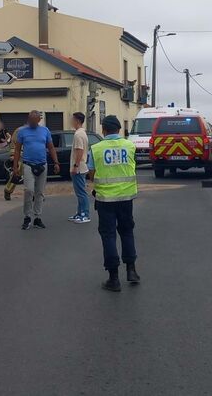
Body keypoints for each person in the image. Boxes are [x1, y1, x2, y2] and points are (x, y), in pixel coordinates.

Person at [89, 115, 140, 292]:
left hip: (105, 199)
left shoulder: (96, 149)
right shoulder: (130, 146)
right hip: (126, 198)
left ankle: (113, 278)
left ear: (103, 130)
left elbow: (91, 173)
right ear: (119, 129)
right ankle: (131, 270)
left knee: (108, 235)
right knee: (127, 232)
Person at [12, 111, 60, 230]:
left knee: (40, 192)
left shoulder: (45, 131)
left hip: (42, 164)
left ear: (38, 120)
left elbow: (51, 147)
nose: (31, 122)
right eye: (30, 120)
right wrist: (15, 166)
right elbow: (17, 150)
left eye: (34, 120)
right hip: (28, 164)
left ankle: (37, 217)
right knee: (29, 190)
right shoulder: (22, 132)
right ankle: (27, 216)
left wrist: (56, 162)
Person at [68, 112, 91, 224]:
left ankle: (85, 214)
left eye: (72, 119)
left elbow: (80, 151)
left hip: (79, 167)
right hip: (81, 166)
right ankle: (79, 213)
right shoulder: (82, 133)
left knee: (81, 192)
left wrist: (75, 166)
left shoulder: (78, 135)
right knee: (79, 192)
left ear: (77, 120)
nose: (71, 121)